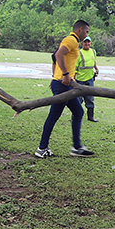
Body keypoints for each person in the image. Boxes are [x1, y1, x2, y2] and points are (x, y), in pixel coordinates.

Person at [35, 20, 94, 158]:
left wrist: (56, 76)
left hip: (65, 84)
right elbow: (58, 55)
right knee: (54, 115)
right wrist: (65, 75)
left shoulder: (73, 41)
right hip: (62, 85)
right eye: (86, 31)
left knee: (78, 111)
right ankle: (42, 148)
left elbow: (56, 58)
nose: (87, 34)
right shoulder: (71, 40)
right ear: (80, 29)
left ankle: (77, 147)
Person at [75, 36, 100, 122]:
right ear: (82, 44)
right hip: (80, 79)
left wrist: (96, 68)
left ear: (91, 43)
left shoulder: (93, 51)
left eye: (88, 42)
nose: (87, 44)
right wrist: (74, 79)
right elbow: (75, 67)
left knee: (90, 98)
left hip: (90, 79)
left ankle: (90, 117)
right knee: (79, 99)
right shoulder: (79, 53)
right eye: (85, 42)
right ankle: (76, 115)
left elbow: (94, 61)